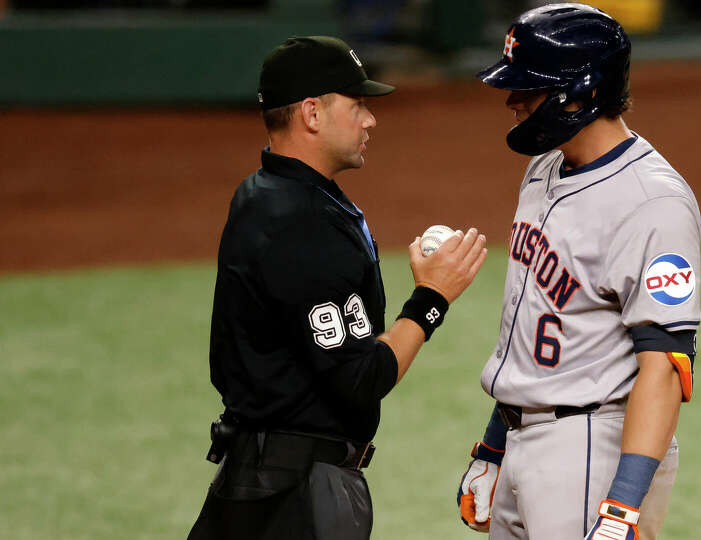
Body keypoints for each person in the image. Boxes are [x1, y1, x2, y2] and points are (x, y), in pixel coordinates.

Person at [187, 36, 487, 540]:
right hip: (294, 497)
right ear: (311, 113)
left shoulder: (265, 191)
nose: (370, 120)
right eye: (358, 105)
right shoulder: (301, 221)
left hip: (257, 479)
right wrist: (432, 299)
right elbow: (363, 380)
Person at [455, 5, 701, 540]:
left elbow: (664, 363)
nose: (513, 101)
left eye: (529, 89)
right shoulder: (543, 167)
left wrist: (624, 506)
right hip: (526, 438)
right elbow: (536, 327)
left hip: (592, 450)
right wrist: (496, 445)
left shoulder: (652, 203)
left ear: (580, 92)